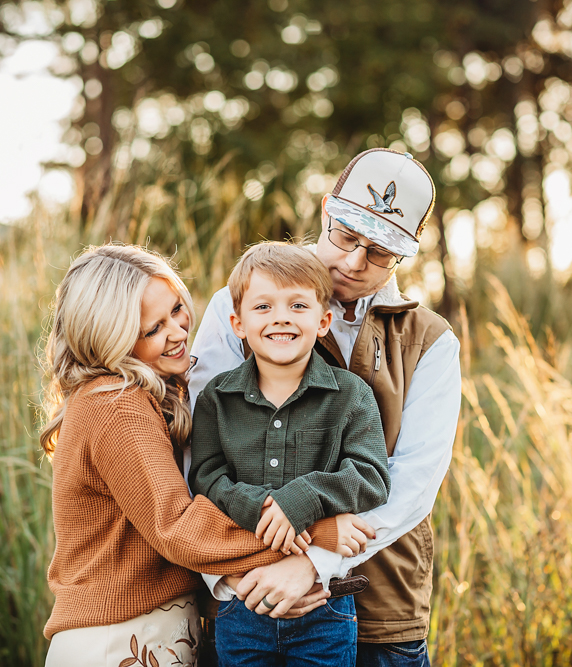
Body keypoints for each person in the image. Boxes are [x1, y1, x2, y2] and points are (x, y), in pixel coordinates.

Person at [189, 149, 462, 667]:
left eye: (381, 251)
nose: (356, 262)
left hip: (382, 606)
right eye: (347, 235)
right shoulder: (241, 304)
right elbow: (200, 453)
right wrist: (234, 572)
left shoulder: (430, 339)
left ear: (405, 254)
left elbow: (414, 480)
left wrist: (314, 562)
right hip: (248, 596)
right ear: (324, 211)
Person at [39, 244, 326, 667]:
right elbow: (175, 525)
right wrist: (315, 537)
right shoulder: (115, 405)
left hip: (148, 631)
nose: (176, 332)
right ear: (110, 338)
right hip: (120, 639)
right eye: (152, 329)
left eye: (176, 309)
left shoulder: (140, 395)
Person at [190, 242, 391, 665]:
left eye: (297, 305)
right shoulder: (216, 400)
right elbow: (205, 477)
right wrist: (260, 507)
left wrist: (303, 498)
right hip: (241, 601)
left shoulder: (352, 396)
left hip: (325, 607)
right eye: (263, 307)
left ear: (323, 321)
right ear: (238, 324)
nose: (281, 316)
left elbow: (371, 475)